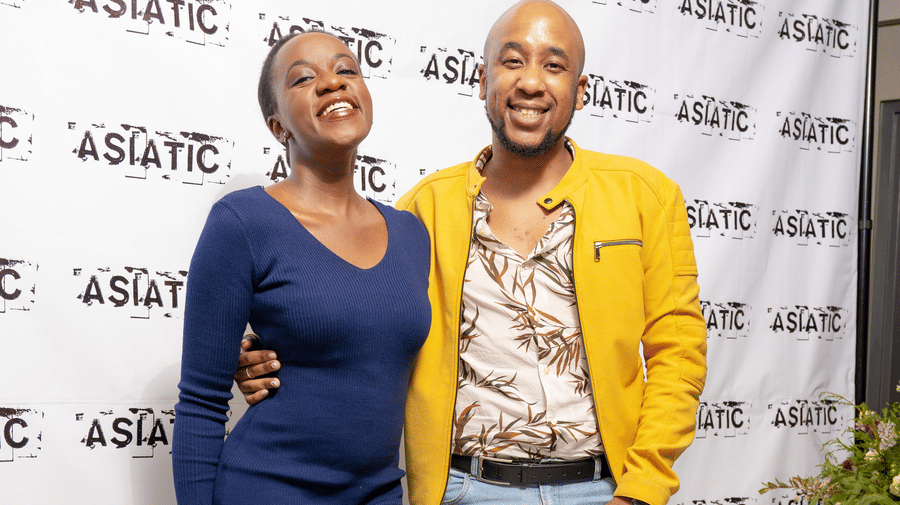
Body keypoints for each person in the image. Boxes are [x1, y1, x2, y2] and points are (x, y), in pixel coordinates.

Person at [237, 2, 707, 504]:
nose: (531, 82)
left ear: (581, 90)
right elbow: (359, 314)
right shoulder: (422, 211)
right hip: (465, 490)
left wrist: (641, 490)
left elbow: (678, 353)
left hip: (604, 488)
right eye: (512, 61)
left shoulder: (645, 195)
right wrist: (265, 354)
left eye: (554, 65)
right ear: (482, 80)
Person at [172, 31, 431, 504]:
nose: (333, 83)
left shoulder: (413, 233)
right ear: (278, 127)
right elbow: (201, 404)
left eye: (347, 70)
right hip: (268, 488)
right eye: (305, 78)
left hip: (380, 493)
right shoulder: (243, 222)